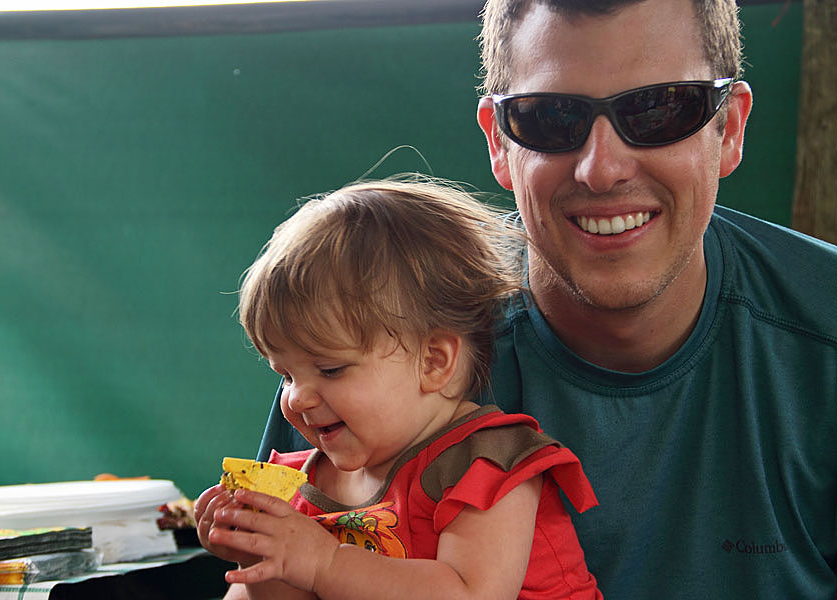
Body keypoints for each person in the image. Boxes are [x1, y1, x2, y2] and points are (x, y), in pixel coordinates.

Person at [252, 0, 837, 598]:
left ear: (730, 128)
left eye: (659, 109)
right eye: (552, 117)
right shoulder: (372, 342)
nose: (601, 169)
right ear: (499, 143)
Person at [194, 178, 603, 599]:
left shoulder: (487, 466)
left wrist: (324, 562)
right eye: (286, 375)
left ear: (433, 362)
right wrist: (258, 555)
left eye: (331, 369)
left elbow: (470, 594)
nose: (296, 398)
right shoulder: (303, 481)